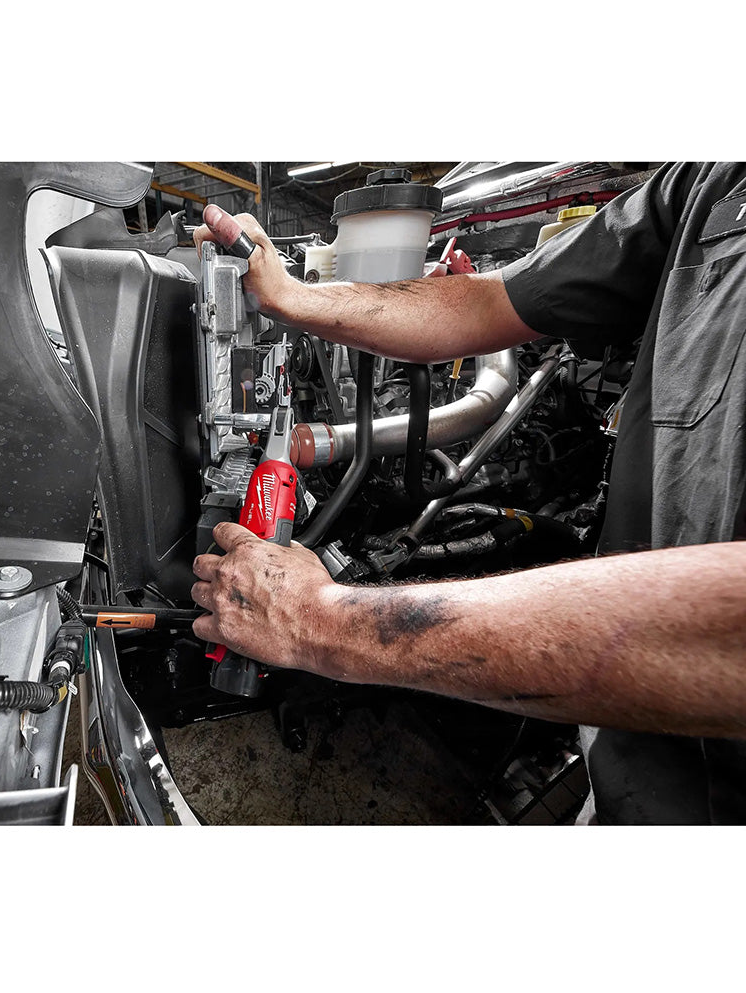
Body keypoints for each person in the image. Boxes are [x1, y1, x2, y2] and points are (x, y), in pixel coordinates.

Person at [191, 162, 746, 825]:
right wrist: (292, 296)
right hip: (629, 770)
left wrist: (321, 621)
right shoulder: (710, 184)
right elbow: (490, 302)